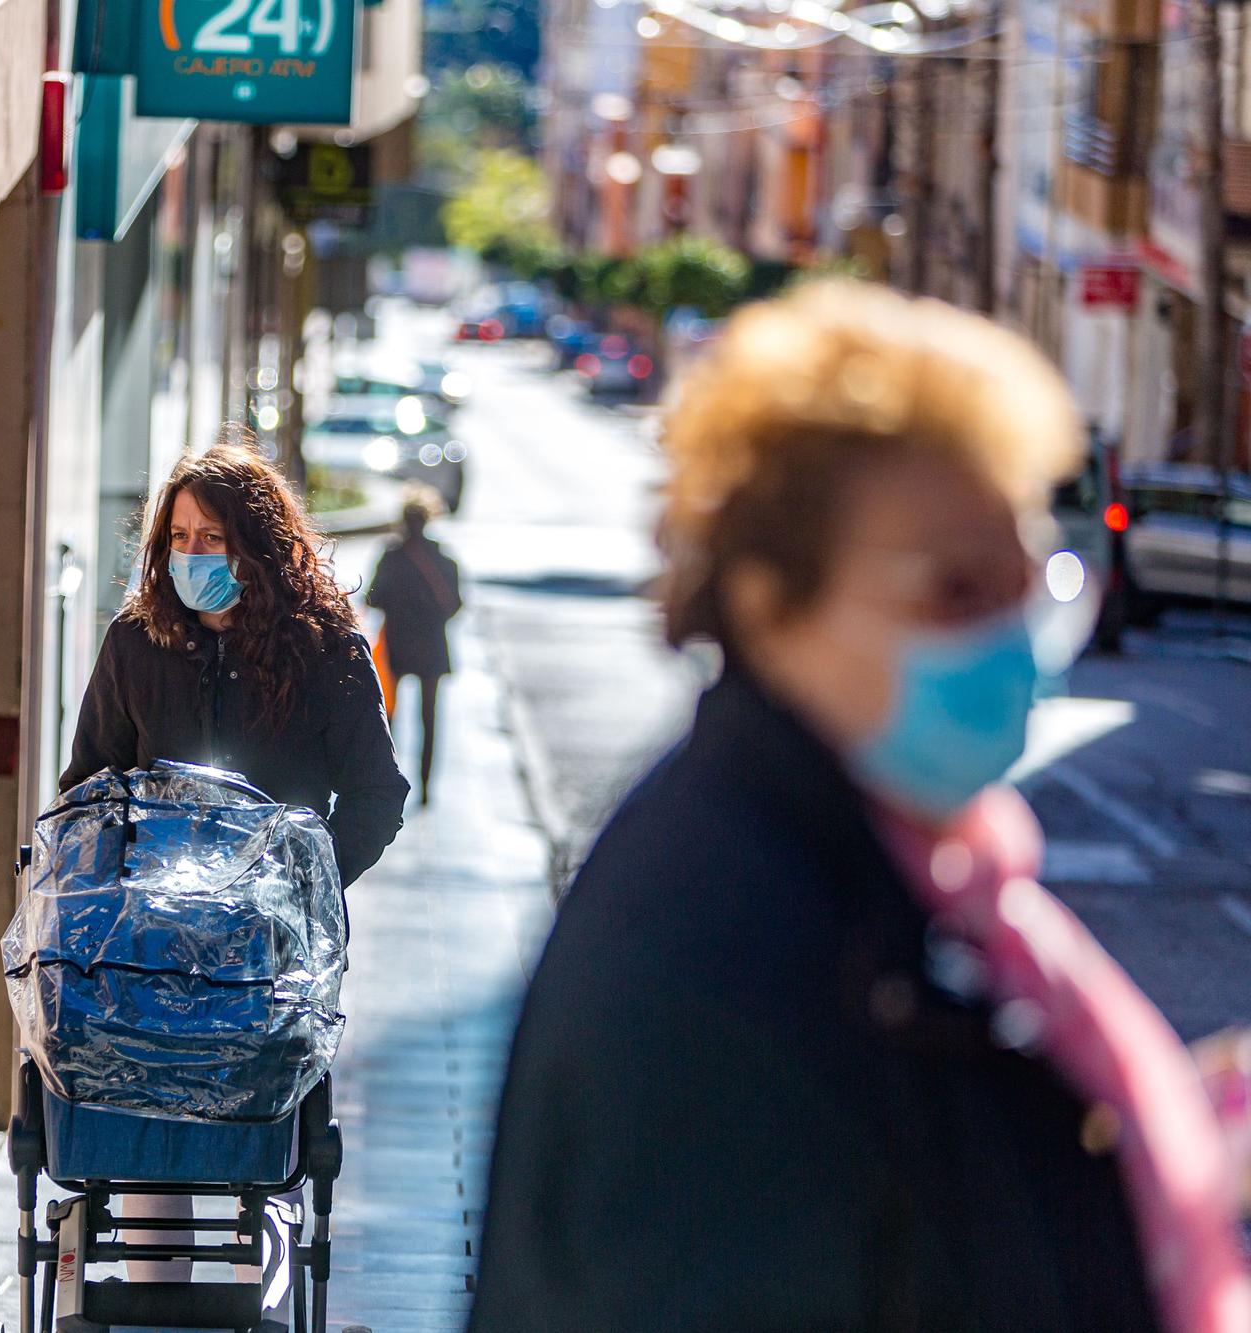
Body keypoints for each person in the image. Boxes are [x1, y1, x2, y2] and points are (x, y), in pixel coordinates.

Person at [471, 283, 1251, 1331]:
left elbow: (945, 1184)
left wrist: (1181, 1121)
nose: (1015, 638)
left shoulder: (909, 872)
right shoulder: (729, 952)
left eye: (1030, 585)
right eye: (955, 591)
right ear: (767, 599)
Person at [61, 432, 409, 1290]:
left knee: (252, 1144)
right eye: (178, 539)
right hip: (146, 946)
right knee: (144, 1141)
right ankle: (154, 1281)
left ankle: (264, 1245)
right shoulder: (136, 646)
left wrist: (308, 887)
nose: (191, 557)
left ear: (256, 546)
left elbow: (377, 793)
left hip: (267, 949)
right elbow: (88, 786)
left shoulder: (326, 650)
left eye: (211, 539)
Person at [367, 493, 463, 805]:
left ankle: (388, 784)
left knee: (389, 719)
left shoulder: (392, 556)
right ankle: (425, 790)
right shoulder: (444, 560)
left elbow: (373, 598)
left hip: (397, 644)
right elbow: (456, 605)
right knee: (429, 720)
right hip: (433, 647)